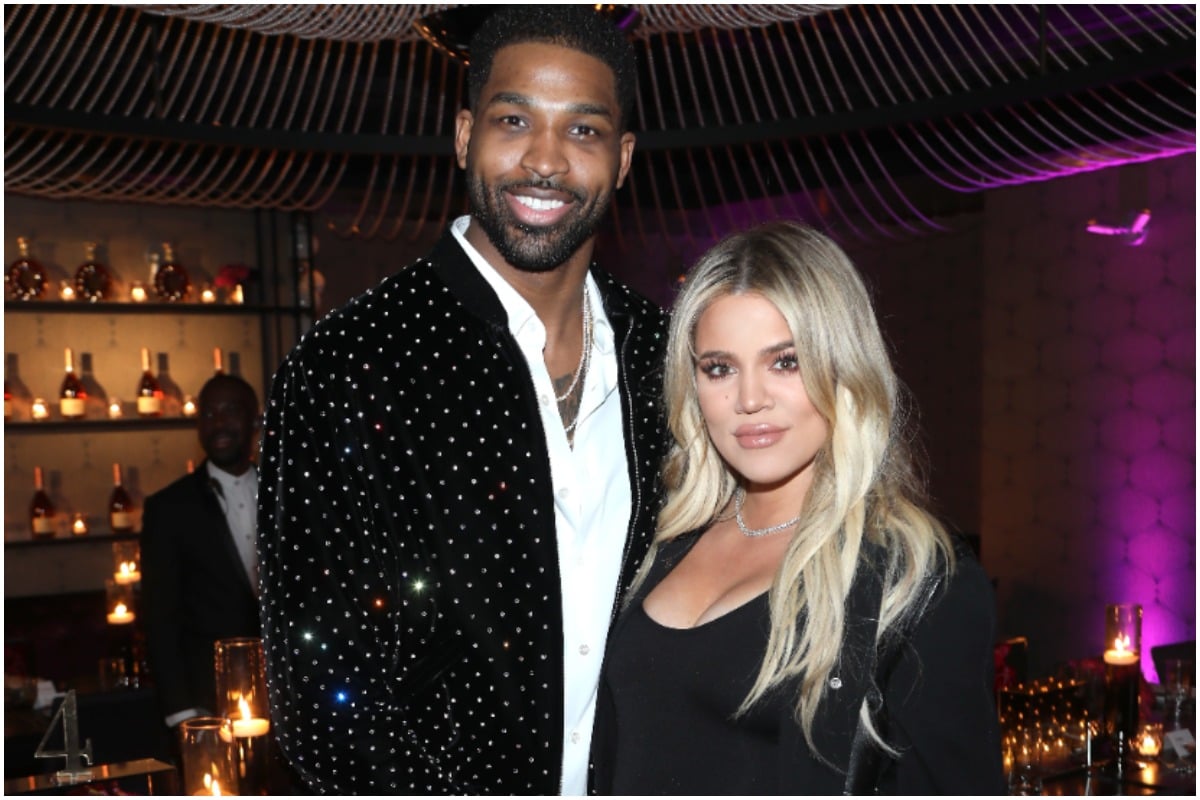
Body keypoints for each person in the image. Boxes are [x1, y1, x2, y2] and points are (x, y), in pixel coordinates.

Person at [257, 6, 667, 795]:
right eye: (515, 120)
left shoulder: (666, 355)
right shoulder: (348, 366)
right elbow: (326, 708)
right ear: (463, 136)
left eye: (582, 132)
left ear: (621, 160)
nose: (544, 160)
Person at [592, 221, 1006, 794]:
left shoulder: (916, 582)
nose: (750, 399)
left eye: (785, 361)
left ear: (843, 366)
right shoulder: (661, 537)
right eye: (720, 368)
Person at [142, 373, 262, 729]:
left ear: (255, 420)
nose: (219, 423)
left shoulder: (285, 494)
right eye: (208, 414)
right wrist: (182, 714)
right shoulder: (169, 508)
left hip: (291, 696)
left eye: (230, 411)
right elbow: (160, 619)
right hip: (209, 703)